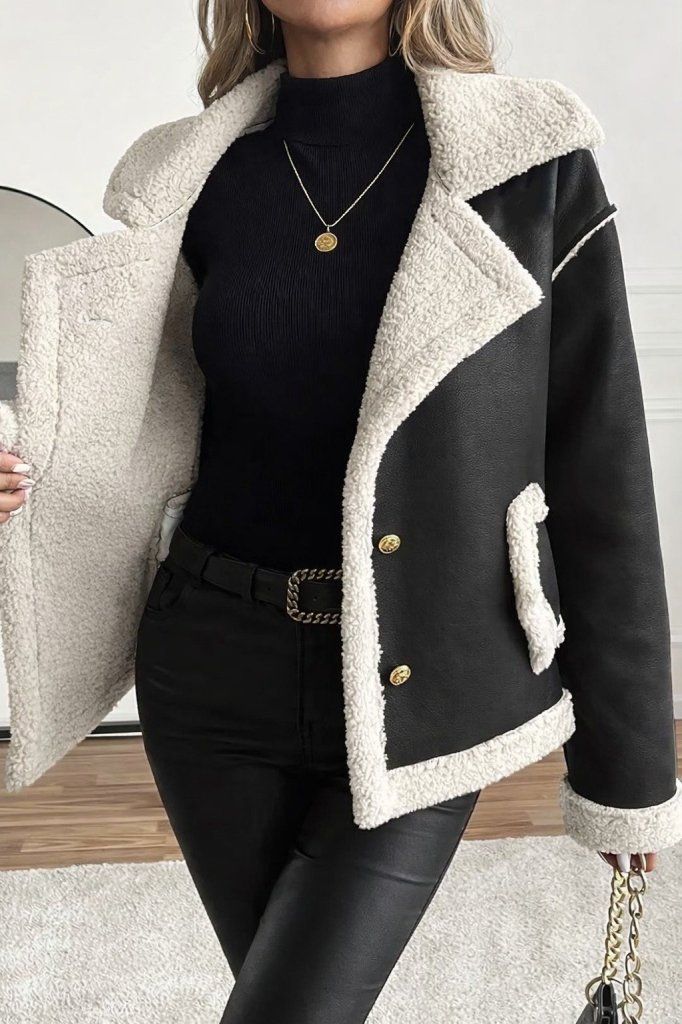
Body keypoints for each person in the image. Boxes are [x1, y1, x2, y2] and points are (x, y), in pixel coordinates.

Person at [1, 2, 680, 1021]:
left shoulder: (528, 168)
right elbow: (129, 423)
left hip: (425, 676)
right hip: (209, 672)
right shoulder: (197, 175)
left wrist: (629, 773)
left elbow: (602, 472)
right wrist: (23, 466)